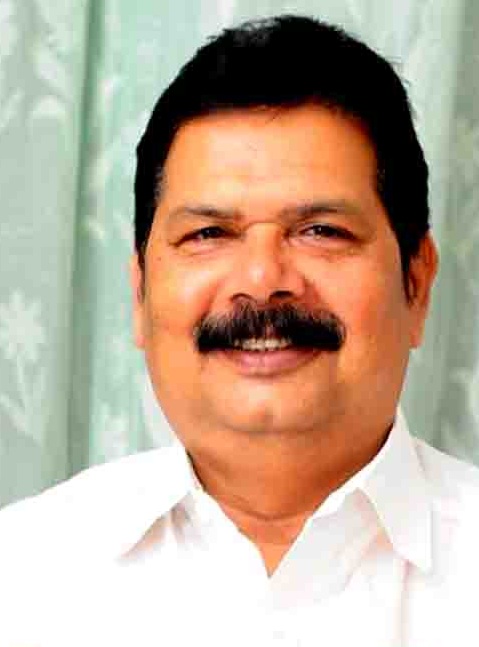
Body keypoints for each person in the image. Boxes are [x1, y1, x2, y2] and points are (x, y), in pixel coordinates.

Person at [0, 14, 478, 647]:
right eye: (208, 234)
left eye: (321, 231)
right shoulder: (21, 576)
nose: (261, 279)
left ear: (416, 283)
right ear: (140, 293)